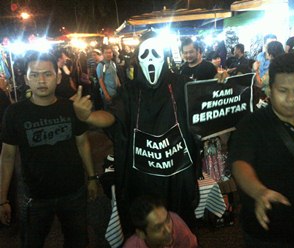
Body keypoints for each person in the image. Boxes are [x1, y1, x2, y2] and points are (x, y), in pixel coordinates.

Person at [73, 31, 200, 235]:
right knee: (147, 229)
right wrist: (87, 117)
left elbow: (205, 107)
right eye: (145, 53)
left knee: (179, 226)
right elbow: (113, 116)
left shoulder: (182, 84)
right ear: (138, 59)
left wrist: (221, 86)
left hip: (177, 176)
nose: (150, 58)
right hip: (142, 179)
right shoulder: (130, 91)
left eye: (156, 53)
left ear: (165, 57)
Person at [229, 53, 294, 247]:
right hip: (269, 231)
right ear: (270, 88)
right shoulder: (252, 124)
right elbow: (240, 164)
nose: (292, 98)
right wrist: (259, 192)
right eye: (283, 90)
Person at [0, 51, 98, 247]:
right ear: (26, 79)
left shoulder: (71, 108)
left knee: (77, 241)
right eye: (34, 75)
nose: (41, 80)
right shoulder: (15, 113)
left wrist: (92, 178)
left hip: (73, 192)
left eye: (47, 74)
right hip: (36, 196)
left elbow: (82, 143)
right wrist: (2, 198)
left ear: (58, 77)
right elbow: (7, 156)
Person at [123, 195, 198, 248]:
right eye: (158, 228)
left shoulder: (175, 220)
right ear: (141, 234)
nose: (168, 230)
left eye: (167, 220)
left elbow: (191, 245)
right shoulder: (132, 246)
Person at [96, 46, 121, 110]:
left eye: (110, 52)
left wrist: (119, 84)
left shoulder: (113, 63)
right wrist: (106, 94)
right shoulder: (101, 65)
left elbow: (115, 75)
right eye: (106, 53)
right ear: (103, 54)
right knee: (109, 113)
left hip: (115, 92)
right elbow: (100, 80)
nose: (108, 54)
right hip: (108, 93)